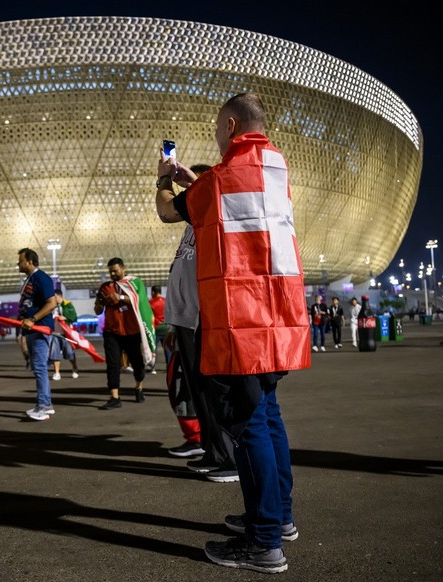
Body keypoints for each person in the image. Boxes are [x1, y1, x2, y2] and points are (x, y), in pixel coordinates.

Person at [156, 92, 311, 573]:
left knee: (248, 428)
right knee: (269, 416)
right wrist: (197, 180)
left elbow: (167, 212)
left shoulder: (220, 179)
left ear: (229, 124)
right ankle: (277, 519)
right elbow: (231, 203)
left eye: (218, 130)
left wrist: (165, 180)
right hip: (277, 319)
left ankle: (264, 542)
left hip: (241, 324)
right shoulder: (274, 169)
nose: (217, 137)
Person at [162, 163, 240, 483]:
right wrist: (172, 323)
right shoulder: (192, 222)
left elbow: (166, 210)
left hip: (201, 317)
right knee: (197, 390)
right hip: (184, 318)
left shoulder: (211, 213)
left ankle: (228, 458)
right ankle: (212, 450)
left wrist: (166, 180)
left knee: (212, 390)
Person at [93, 257, 155, 410]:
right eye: (110, 272)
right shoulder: (105, 287)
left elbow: (139, 300)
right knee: (113, 364)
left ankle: (139, 387)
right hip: (111, 332)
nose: (113, 274)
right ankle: (115, 397)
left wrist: (119, 297)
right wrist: (101, 303)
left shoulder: (135, 283)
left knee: (138, 364)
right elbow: (97, 310)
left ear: (123, 268)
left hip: (131, 331)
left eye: (115, 270)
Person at [17, 248, 59, 421]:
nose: (18, 264)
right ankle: (45, 404)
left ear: (29, 261)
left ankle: (43, 407)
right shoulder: (31, 279)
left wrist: (33, 319)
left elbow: (52, 303)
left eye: (20, 261)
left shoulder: (41, 278)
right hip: (32, 329)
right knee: (38, 367)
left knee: (40, 367)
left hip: (40, 328)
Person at [50, 289, 80, 380]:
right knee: (55, 353)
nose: (53, 298)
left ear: (59, 296)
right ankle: (57, 373)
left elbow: (74, 317)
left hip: (66, 333)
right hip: (55, 333)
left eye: (55, 296)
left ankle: (74, 368)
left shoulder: (68, 304)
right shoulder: (51, 306)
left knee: (69, 353)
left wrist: (65, 317)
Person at [148, 285, 170, 373]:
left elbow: (149, 317)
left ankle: (152, 367)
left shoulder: (151, 303)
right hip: (166, 328)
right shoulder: (166, 302)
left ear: (153, 292)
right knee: (168, 349)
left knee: (153, 349)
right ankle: (169, 368)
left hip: (156, 328)